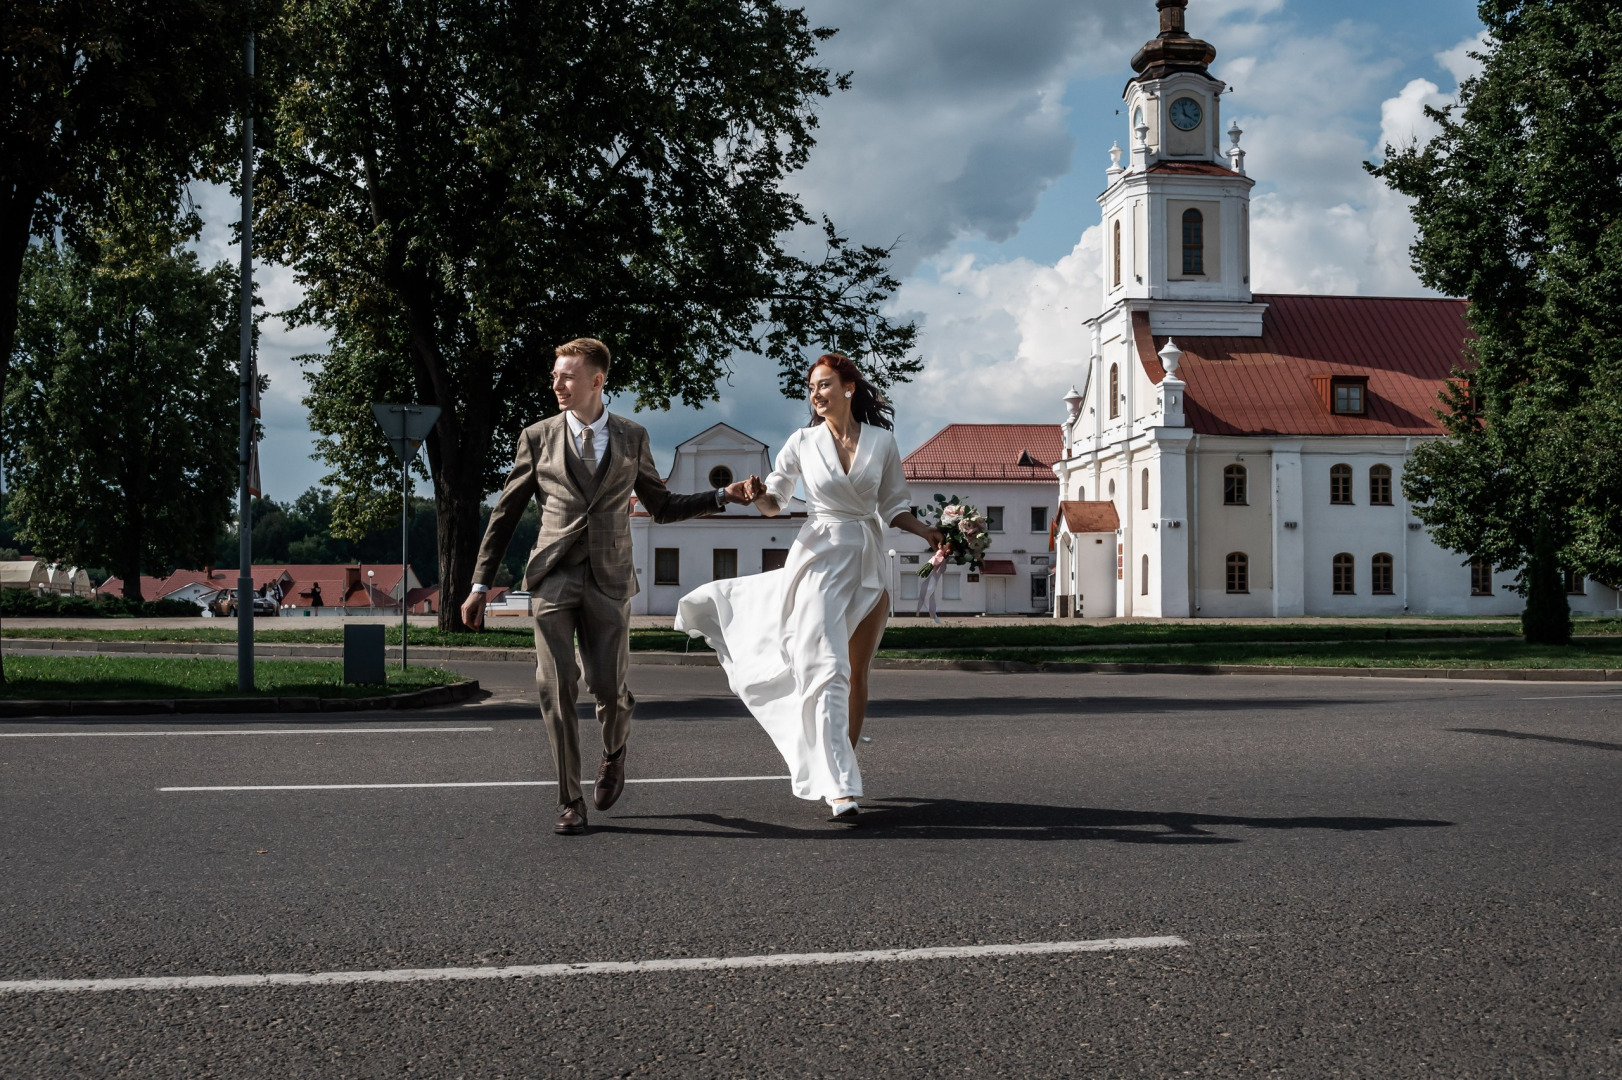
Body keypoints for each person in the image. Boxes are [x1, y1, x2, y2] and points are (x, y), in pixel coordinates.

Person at [461, 338, 753, 835]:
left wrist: (722, 495)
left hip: (611, 578)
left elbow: (661, 506)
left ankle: (614, 753)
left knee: (608, 690)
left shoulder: (632, 437)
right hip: (552, 576)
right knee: (554, 689)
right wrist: (479, 583)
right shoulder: (537, 437)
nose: (556, 384)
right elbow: (505, 513)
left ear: (597, 380)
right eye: (554, 375)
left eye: (567, 376)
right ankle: (569, 800)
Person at [675, 354, 947, 822]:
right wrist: (757, 493)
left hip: (868, 561)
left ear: (848, 388)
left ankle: (837, 769)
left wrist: (926, 532)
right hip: (820, 559)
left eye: (824, 385)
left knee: (857, 672)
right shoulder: (802, 441)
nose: (815, 395)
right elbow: (775, 504)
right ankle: (840, 785)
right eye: (811, 388)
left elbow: (893, 506)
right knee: (827, 667)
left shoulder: (883, 442)